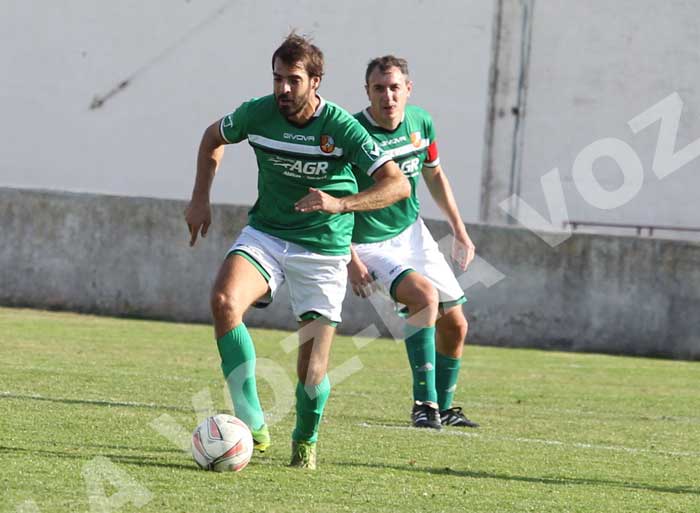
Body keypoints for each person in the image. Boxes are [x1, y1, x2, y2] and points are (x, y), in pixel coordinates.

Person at [185, 35, 409, 469]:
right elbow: (213, 137)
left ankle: (305, 440)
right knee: (224, 301)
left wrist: (339, 204)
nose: (283, 89)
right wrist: (200, 198)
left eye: (293, 80)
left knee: (312, 371)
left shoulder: (341, 127)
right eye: (277, 79)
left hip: (324, 246)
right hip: (267, 234)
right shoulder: (258, 113)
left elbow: (396, 184)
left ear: (315, 81)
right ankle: (252, 422)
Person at [348, 55, 478, 430]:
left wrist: (459, 230)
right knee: (423, 297)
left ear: (408, 89)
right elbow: (337, 199)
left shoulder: (421, 122)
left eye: (394, 88)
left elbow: (434, 175)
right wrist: (350, 258)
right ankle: (424, 405)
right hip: (368, 243)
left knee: (456, 325)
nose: (387, 96)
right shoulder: (352, 134)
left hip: (413, 234)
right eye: (379, 88)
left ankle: (445, 408)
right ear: (367, 91)